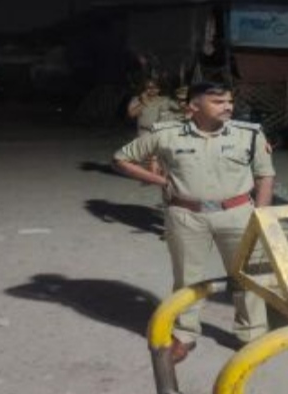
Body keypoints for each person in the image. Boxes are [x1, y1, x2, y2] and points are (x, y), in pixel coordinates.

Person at [112, 81, 274, 362]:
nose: (227, 107)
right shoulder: (167, 134)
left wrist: (261, 215)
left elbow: (265, 175)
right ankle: (185, 334)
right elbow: (121, 159)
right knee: (188, 278)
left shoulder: (248, 134)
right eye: (218, 102)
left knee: (248, 277)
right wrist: (160, 181)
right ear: (194, 106)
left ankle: (252, 335)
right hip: (186, 216)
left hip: (237, 214)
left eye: (229, 101)